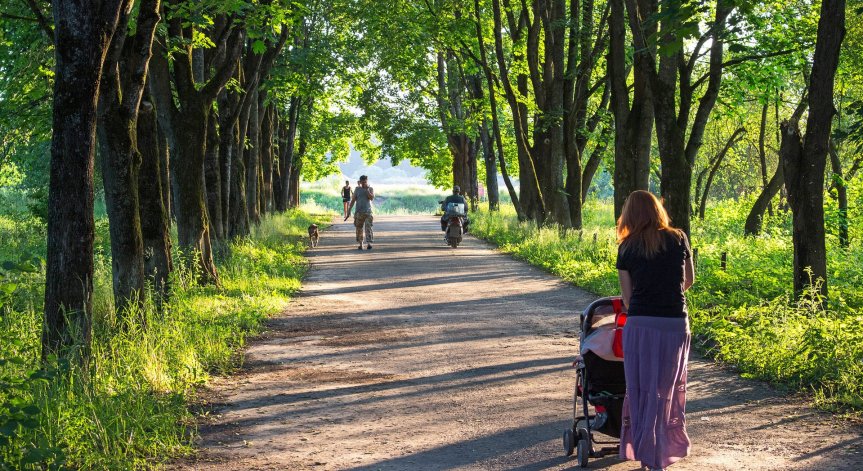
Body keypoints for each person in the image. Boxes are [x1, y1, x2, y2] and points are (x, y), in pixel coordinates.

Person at [615, 190, 695, 471]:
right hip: (675, 322)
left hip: (641, 324)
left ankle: (646, 453)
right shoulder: (679, 238)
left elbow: (626, 299)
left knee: (641, 388)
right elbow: (688, 280)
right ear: (657, 210)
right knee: (668, 388)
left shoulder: (626, 247)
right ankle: (663, 450)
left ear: (629, 215)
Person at [345, 175, 374, 250]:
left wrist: (367, 190)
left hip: (368, 212)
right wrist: (349, 211)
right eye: (363, 182)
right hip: (359, 212)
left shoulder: (370, 189)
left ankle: (369, 243)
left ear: (367, 181)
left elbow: (371, 198)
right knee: (359, 228)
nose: (364, 183)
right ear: (360, 182)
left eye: (365, 182)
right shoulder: (357, 189)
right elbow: (353, 200)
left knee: (368, 227)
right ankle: (361, 244)